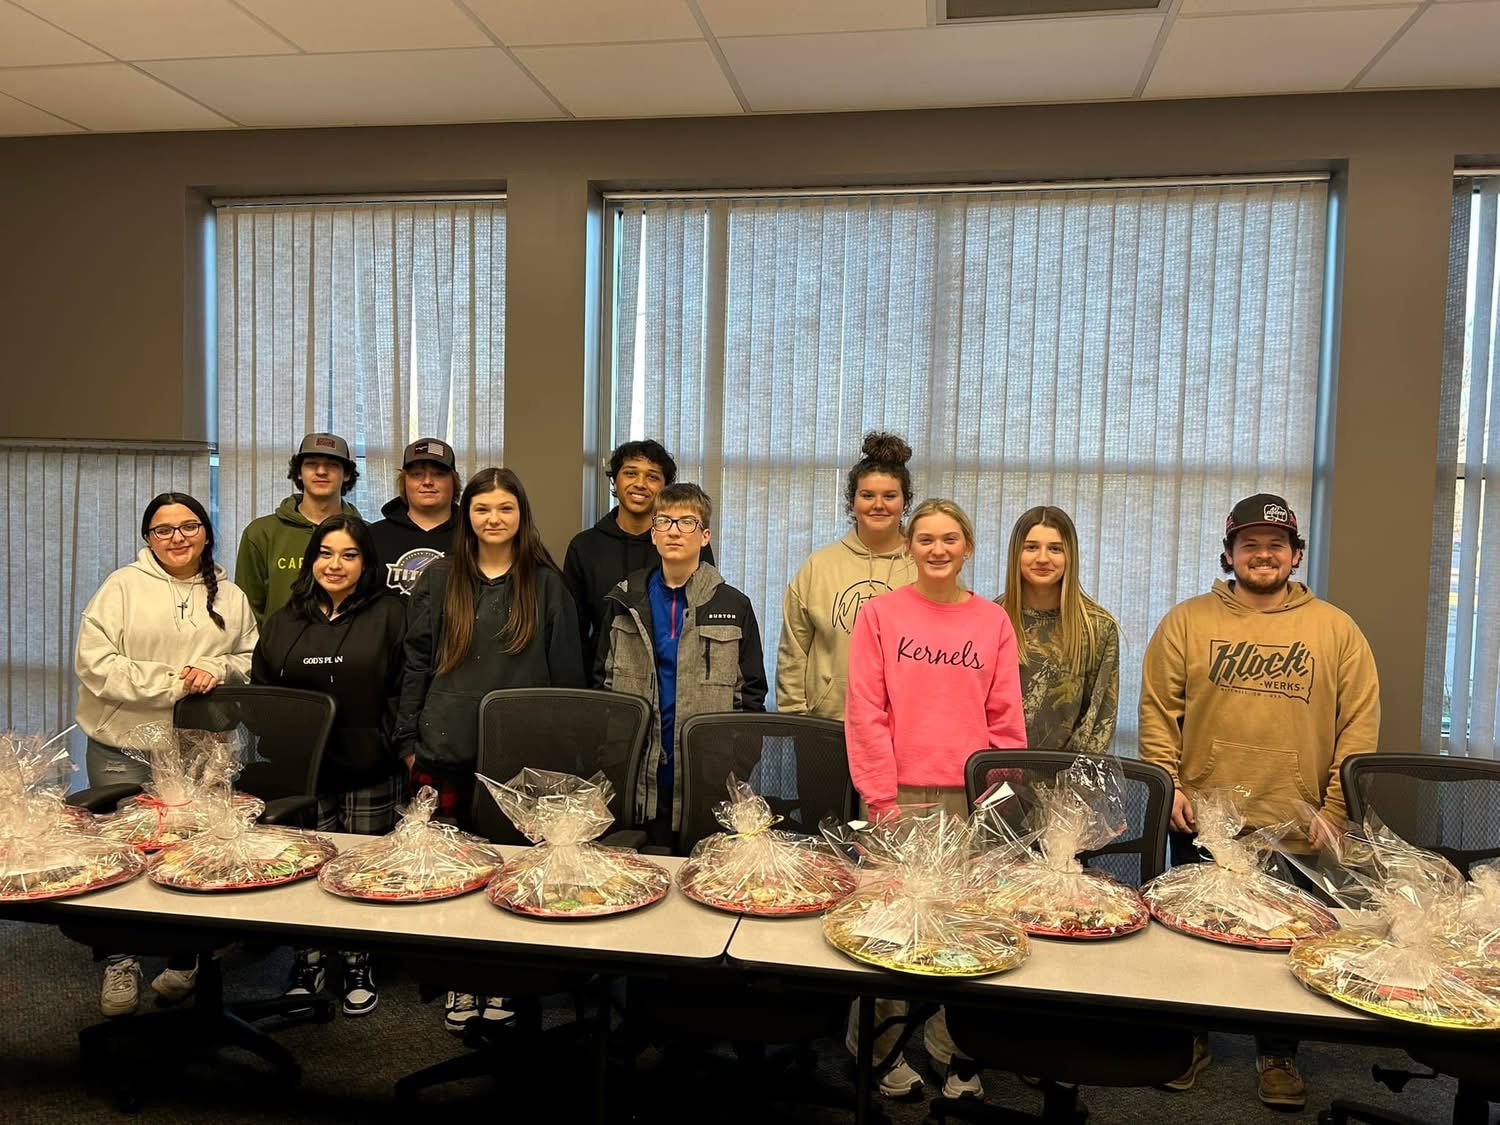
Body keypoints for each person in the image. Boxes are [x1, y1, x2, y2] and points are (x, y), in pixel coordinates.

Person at [1139, 492, 1381, 1109]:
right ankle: (1188, 1039)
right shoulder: (1187, 622)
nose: (1263, 554)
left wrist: (1334, 809)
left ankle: (1277, 1052)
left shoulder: (1336, 629)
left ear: (1295, 556)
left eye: (1277, 545)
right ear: (1229, 553)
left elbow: (1359, 726)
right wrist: (1168, 786)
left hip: (1296, 821)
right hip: (1205, 819)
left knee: (1287, 945)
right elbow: (1158, 712)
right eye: (1250, 544)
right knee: (1196, 934)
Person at [843, 498, 1027, 1102]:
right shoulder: (880, 615)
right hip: (899, 793)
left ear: (968, 547)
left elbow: (1005, 717)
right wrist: (879, 798)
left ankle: (956, 1053)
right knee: (889, 922)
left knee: (962, 926)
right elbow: (865, 713)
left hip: (968, 797)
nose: (938, 549)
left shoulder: (992, 621)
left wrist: (999, 800)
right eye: (926, 539)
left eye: (950, 539)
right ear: (909, 547)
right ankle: (878, 1047)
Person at [395, 467, 583, 1035]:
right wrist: (407, 740)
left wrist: (560, 760)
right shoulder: (438, 579)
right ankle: (462, 979)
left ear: (521, 515)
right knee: (452, 874)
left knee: (512, 876)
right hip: (444, 745)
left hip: (520, 760)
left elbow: (569, 679)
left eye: (505, 509)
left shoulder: (546, 584)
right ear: (465, 516)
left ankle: (505, 980)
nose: (493, 520)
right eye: (482, 510)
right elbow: (416, 662)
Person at [74, 492, 258, 1017]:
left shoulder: (231, 595)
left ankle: (186, 957)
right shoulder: (121, 588)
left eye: (189, 526)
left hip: (201, 750)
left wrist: (218, 672)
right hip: (125, 745)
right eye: (163, 529)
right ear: (147, 538)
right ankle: (119, 959)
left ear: (206, 531)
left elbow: (247, 656)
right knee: (123, 856)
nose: (178, 537)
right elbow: (96, 665)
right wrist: (174, 682)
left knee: (191, 857)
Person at [252, 515, 406, 1018]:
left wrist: (386, 743)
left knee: (361, 869)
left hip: (369, 766)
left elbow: (405, 688)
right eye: (325, 553)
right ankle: (308, 958)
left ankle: (359, 960)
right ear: (311, 558)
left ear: (366, 562)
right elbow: (262, 691)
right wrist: (281, 748)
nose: (335, 565)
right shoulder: (285, 619)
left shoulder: (392, 613)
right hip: (303, 772)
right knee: (308, 867)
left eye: (349, 555)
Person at [595, 483, 766, 846]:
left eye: (687, 522)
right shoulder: (625, 600)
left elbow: (751, 695)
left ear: (705, 536)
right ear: (653, 534)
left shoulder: (734, 605)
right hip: (639, 769)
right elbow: (602, 686)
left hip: (707, 775)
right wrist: (612, 757)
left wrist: (736, 767)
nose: (674, 530)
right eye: (665, 521)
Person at [777, 432, 917, 718]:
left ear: (905, 503)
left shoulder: (924, 567)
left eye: (890, 496)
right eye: (867, 495)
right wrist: (795, 719)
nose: (878, 505)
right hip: (827, 725)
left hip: (903, 728)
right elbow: (793, 653)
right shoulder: (819, 567)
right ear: (852, 502)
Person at [564, 440, 714, 677]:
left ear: (665, 487)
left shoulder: (686, 543)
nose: (640, 484)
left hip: (678, 676)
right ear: (615, 480)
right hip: (605, 680)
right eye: (630, 473)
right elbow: (573, 631)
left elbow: (704, 618)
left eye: (652, 477)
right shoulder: (585, 546)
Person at [996, 505, 1120, 754]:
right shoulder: (991, 620)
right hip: (995, 775)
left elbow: (1098, 723)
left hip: (1066, 782)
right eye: (1031, 547)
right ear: (1016, 554)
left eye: (1055, 548)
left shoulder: (1098, 628)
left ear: (1070, 555)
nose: (1043, 558)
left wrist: (1067, 789)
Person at [235, 432, 361, 623]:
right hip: (279, 649)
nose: (321, 471)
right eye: (311, 464)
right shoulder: (260, 533)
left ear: (347, 475)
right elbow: (247, 609)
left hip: (349, 648)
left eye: (332, 465)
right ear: (299, 473)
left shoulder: (367, 534)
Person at [370, 438, 460, 597]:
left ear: (453, 481)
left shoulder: (473, 535)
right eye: (417, 474)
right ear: (404, 482)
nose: (427, 482)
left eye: (438, 474)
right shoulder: (372, 536)